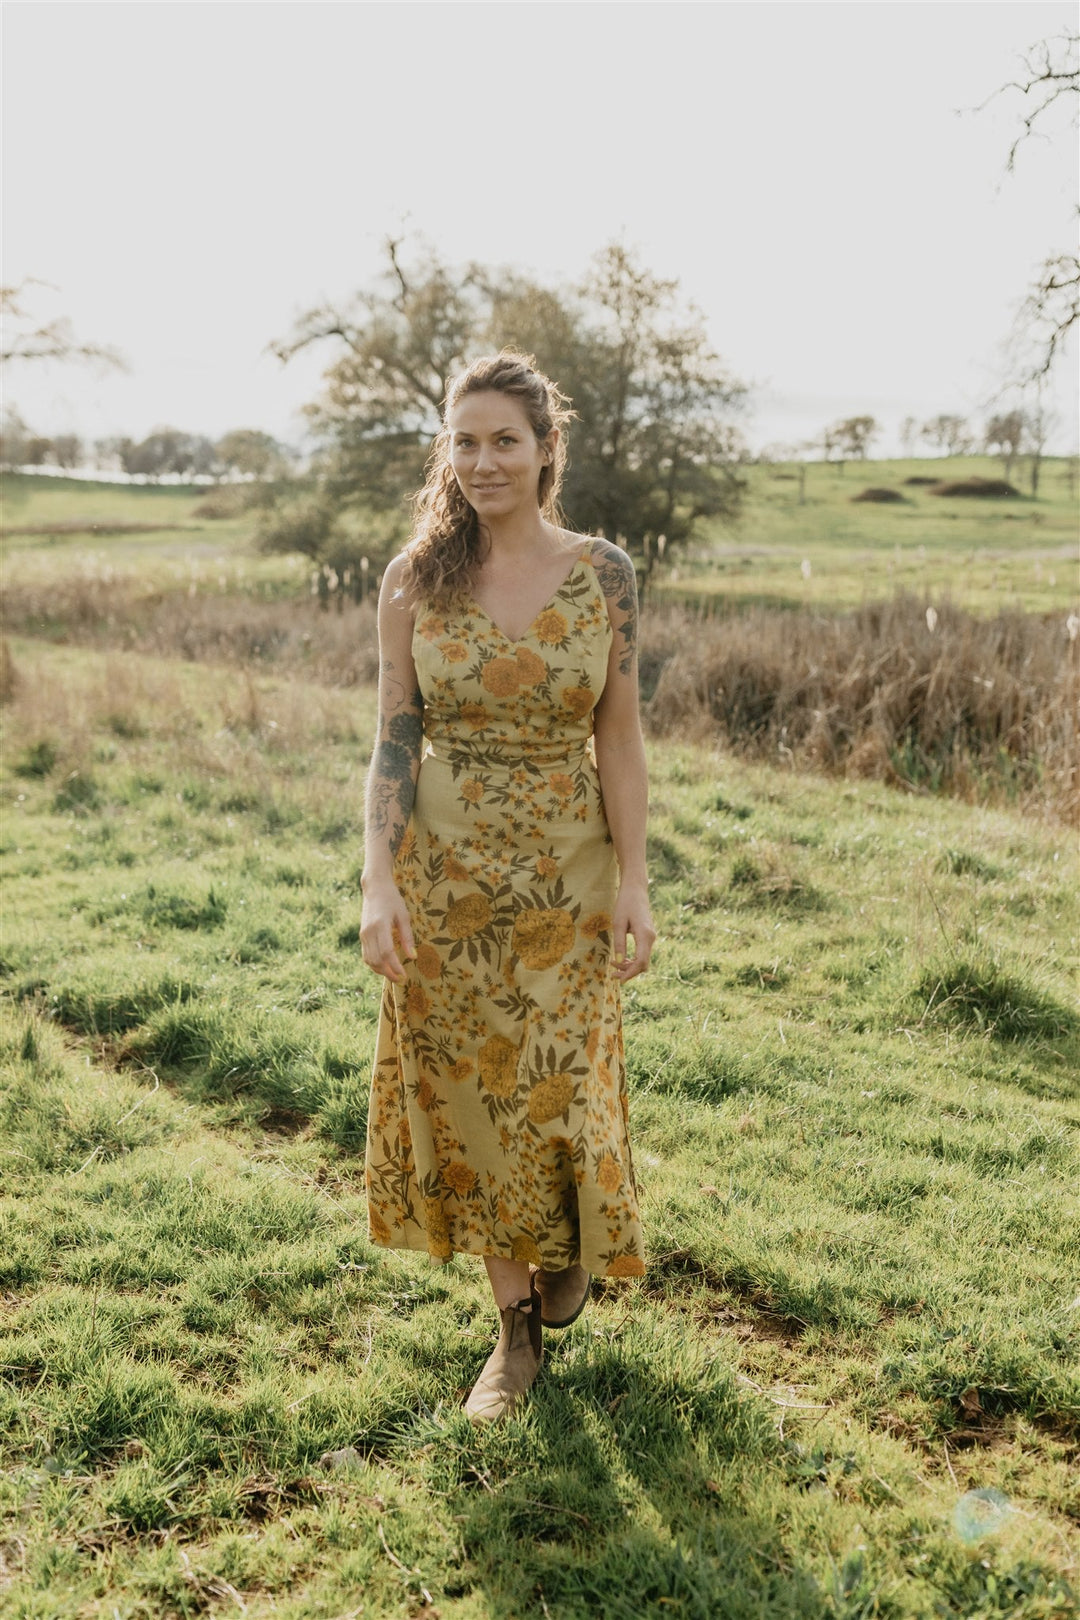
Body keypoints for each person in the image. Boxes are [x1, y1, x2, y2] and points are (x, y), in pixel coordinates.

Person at [360, 349, 655, 1425]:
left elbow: (619, 738)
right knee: (475, 1095)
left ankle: (567, 1241)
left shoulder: (605, 574)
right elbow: (394, 740)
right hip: (446, 877)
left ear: (544, 450)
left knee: (564, 1080)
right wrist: (378, 882)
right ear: (448, 448)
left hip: (570, 874)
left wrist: (635, 881)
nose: (483, 460)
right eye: (465, 440)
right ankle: (513, 1329)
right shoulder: (412, 578)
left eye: (505, 440)